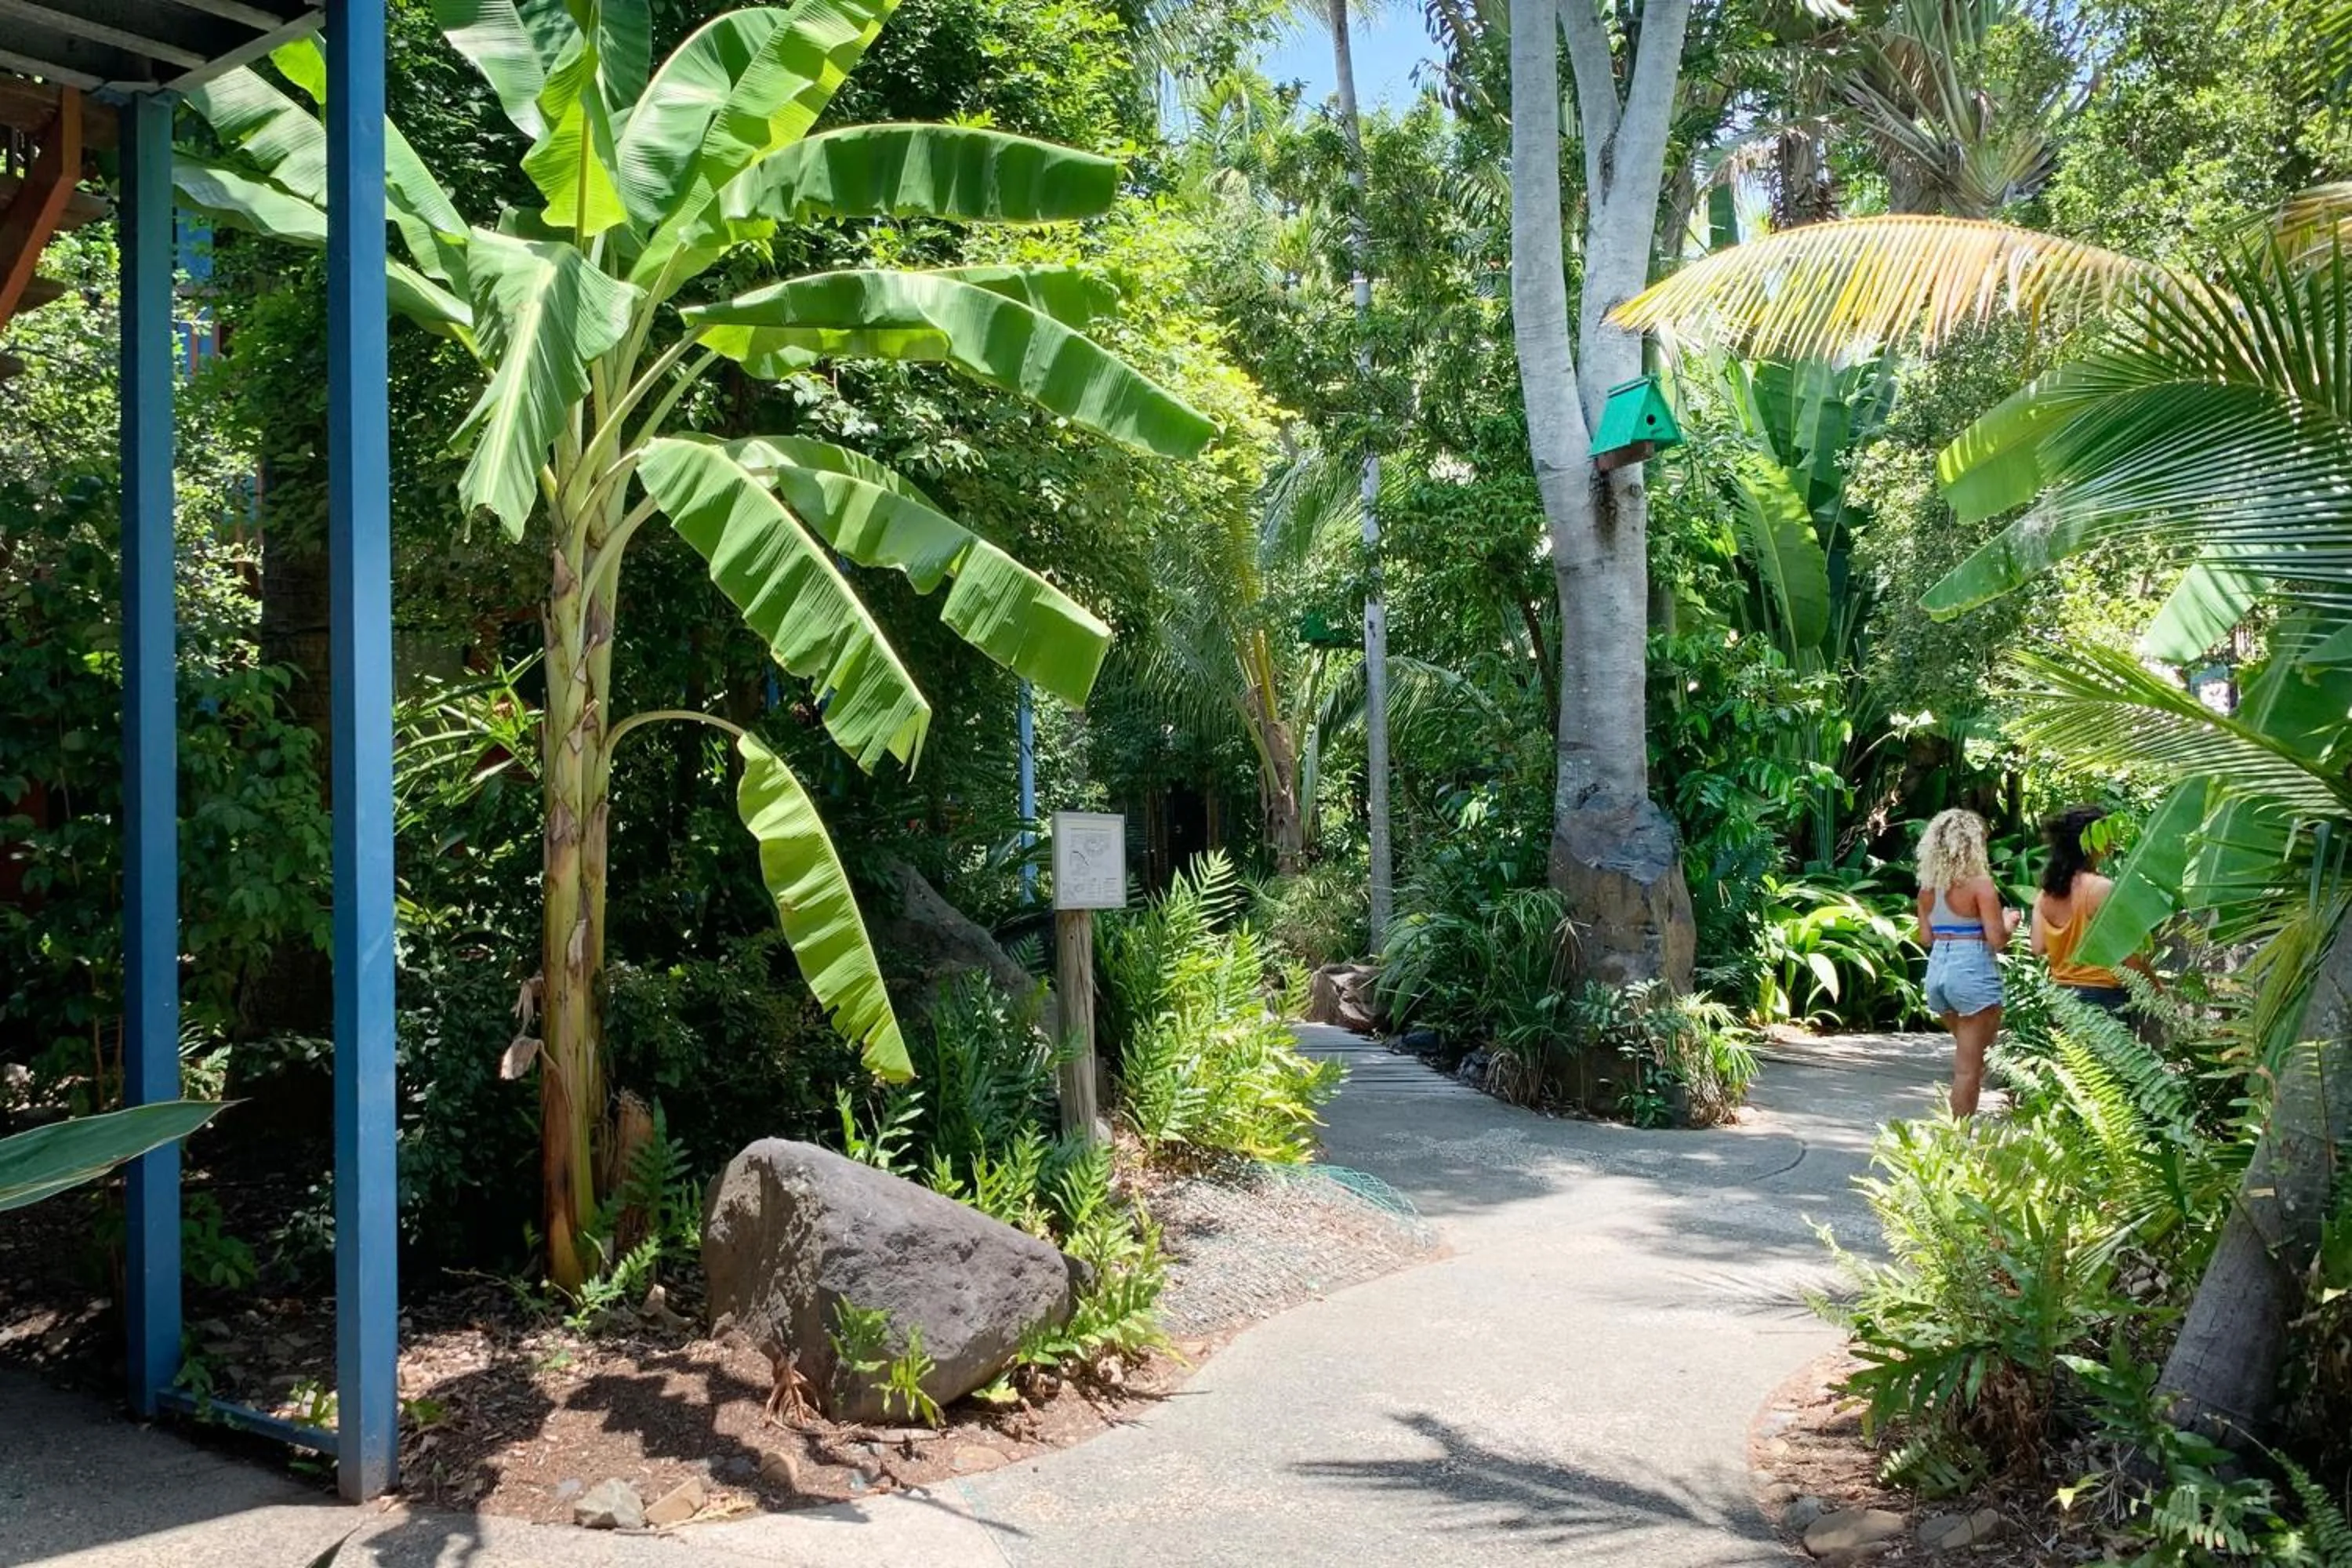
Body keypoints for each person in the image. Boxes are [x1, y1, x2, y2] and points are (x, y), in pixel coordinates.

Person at [1915, 808, 2016, 1116]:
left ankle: (1959, 1127)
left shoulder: (1927, 890)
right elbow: (1997, 939)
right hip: (1971, 969)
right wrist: (2010, 921)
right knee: (1968, 1069)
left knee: (1973, 1055)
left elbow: (1926, 938)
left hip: (1938, 970)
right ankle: (1958, 1136)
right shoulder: (1980, 885)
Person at [2031, 804, 2143, 1014]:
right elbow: (2129, 954)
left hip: (2063, 998)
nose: (2112, 838)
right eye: (2106, 831)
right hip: (2104, 996)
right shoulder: (2101, 889)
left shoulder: (2045, 895)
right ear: (2091, 840)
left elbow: (2038, 947)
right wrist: (2156, 991)